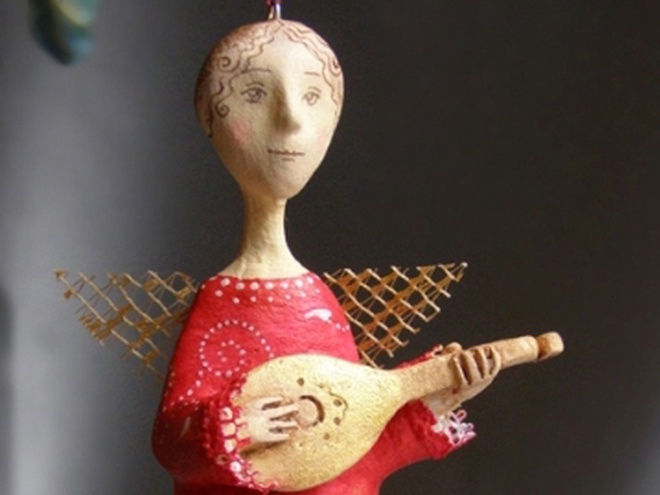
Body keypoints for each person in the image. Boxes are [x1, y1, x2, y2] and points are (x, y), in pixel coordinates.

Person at [152, 17, 501, 495]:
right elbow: (172, 445)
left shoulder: (315, 299)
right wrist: (233, 426)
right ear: (211, 118)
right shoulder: (224, 300)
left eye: (312, 96)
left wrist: (435, 396)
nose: (291, 119)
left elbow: (352, 448)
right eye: (255, 94)